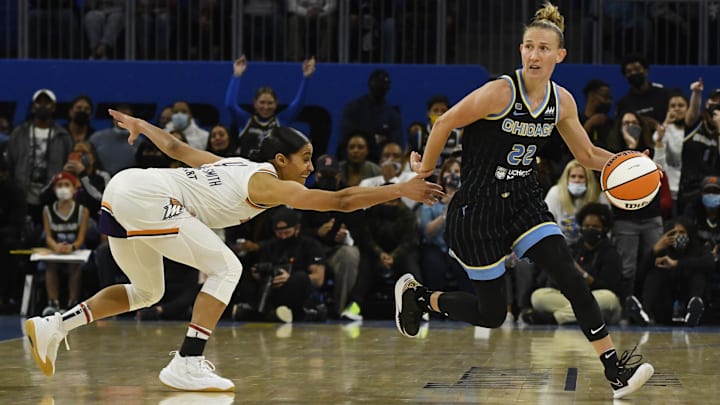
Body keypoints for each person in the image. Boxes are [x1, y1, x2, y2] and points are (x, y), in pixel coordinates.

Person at [25, 108, 442, 392]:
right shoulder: (269, 184)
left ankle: (54, 325)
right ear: (280, 160)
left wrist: (141, 125)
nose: (311, 168)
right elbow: (342, 202)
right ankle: (187, 361)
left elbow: (177, 149)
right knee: (227, 268)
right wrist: (402, 188)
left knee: (147, 290)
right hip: (148, 196)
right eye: (305, 159)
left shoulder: (235, 165)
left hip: (124, 191)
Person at [392, 2, 654, 399]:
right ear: (520, 50)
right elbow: (445, 122)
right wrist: (424, 168)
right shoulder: (500, 91)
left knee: (571, 279)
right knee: (492, 315)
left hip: (523, 201)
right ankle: (420, 297)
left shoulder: (561, 101)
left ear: (559, 55)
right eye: (528, 47)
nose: (534, 55)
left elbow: (586, 156)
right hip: (478, 209)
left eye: (544, 48)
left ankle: (615, 372)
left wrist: (632, 164)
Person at [525, 203, 623, 326]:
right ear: (581, 227)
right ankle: (579, 316)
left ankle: (554, 319)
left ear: (604, 229)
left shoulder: (611, 254)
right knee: (538, 297)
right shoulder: (571, 249)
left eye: (595, 227)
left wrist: (583, 275)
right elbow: (557, 282)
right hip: (573, 297)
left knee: (609, 298)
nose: (590, 229)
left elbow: (608, 287)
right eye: (587, 226)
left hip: (596, 296)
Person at [224, 55, 316, 158]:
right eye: (262, 102)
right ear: (254, 103)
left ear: (276, 103)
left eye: (270, 103)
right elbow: (230, 104)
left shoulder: (281, 121)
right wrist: (236, 75)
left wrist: (306, 78)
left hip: (272, 171)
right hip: (248, 171)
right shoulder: (245, 120)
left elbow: (299, 103)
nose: (266, 107)